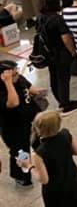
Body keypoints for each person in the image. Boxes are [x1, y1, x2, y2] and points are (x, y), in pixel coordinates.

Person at [17, 111, 77, 207]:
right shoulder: (65, 134)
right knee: (74, 206)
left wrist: (29, 166)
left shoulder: (40, 152)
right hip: (71, 178)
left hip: (55, 189)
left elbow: (44, 179)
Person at [0, 60, 46, 188]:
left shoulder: (19, 78)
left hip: (30, 121)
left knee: (40, 143)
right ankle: (22, 176)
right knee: (21, 152)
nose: (17, 75)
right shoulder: (4, 87)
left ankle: (46, 164)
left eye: (17, 72)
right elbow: (13, 103)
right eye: (13, 74)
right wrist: (8, 82)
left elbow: (31, 89)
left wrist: (38, 92)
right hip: (14, 128)